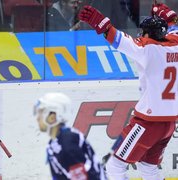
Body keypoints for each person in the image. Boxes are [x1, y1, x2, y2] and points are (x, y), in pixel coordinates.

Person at [79, 5, 178, 180]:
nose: (140, 35)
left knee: (114, 164)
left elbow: (119, 40)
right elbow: (174, 30)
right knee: (148, 167)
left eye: (143, 32)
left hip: (148, 122)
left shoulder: (146, 49)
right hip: (169, 123)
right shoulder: (175, 44)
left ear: (147, 34)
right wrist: (171, 19)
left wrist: (102, 24)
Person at [33, 92, 107, 180]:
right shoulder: (59, 140)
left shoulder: (66, 144)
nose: (37, 118)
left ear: (52, 117)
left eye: (41, 113)